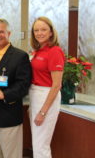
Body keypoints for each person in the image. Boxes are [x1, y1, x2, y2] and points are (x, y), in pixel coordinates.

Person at [0, 18, 32, 158]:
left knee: (11, 155)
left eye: (1, 31)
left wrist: (5, 94)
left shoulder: (20, 56)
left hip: (8, 115)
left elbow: (23, 84)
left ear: (8, 33)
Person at [29, 17, 64, 158]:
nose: (39, 33)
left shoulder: (54, 51)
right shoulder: (38, 51)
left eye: (43, 29)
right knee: (37, 144)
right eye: (36, 30)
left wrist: (43, 112)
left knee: (41, 147)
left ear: (51, 32)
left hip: (47, 96)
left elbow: (56, 85)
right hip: (36, 96)